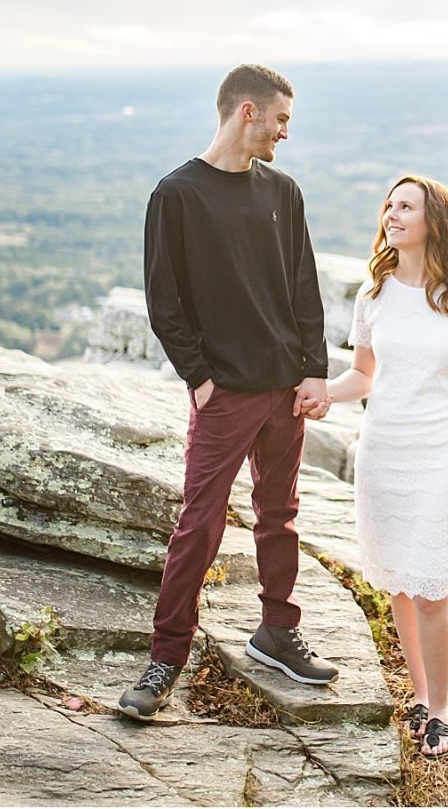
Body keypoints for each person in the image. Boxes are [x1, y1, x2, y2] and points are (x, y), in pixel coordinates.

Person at [119, 63, 337, 721]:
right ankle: (166, 660)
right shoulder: (178, 194)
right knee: (199, 524)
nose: (284, 133)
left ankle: (277, 633)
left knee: (281, 516)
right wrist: (202, 380)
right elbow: (166, 301)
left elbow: (304, 286)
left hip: (284, 390)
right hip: (226, 395)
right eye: (280, 120)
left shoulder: (283, 191)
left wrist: (315, 368)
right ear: (247, 112)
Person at [314, 175, 448, 758]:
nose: (392, 214)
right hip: (383, 453)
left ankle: (441, 710)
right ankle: (419, 695)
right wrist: (321, 394)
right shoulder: (375, 293)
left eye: (406, 206)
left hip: (442, 454)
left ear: (432, 220)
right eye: (389, 205)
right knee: (397, 583)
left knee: (432, 586)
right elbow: (363, 376)